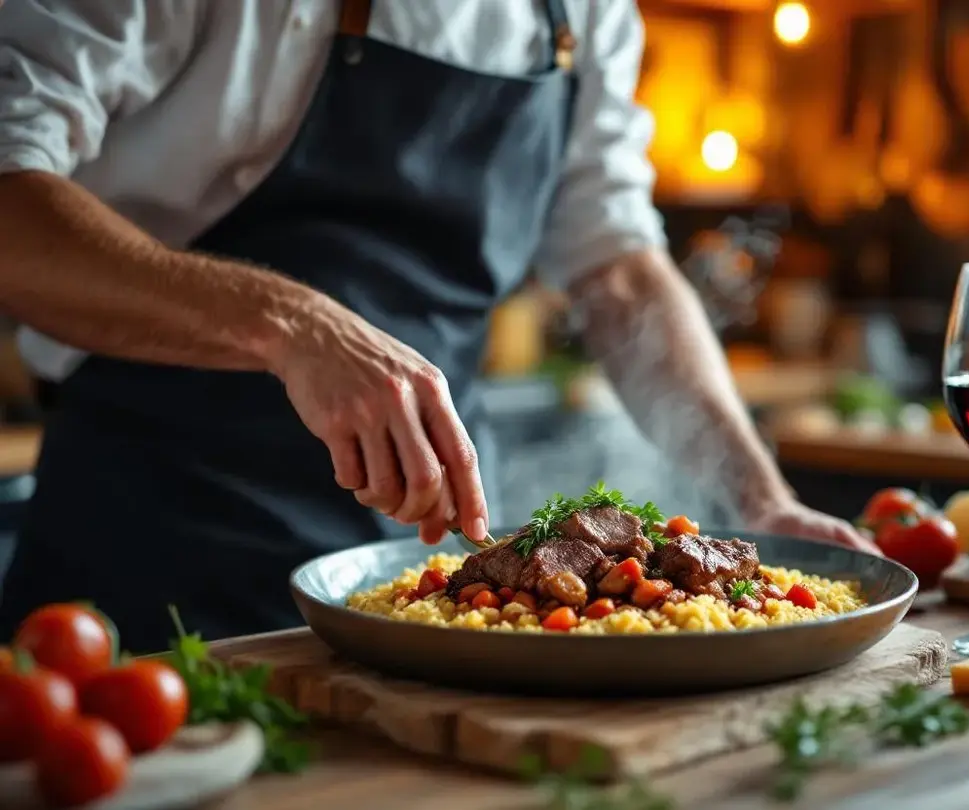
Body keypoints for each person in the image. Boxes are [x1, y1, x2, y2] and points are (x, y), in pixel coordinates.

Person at [0, 0, 875, 652]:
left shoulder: (583, 13)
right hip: (158, 555)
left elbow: (619, 267)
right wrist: (293, 321)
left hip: (427, 575)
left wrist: (758, 497)